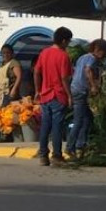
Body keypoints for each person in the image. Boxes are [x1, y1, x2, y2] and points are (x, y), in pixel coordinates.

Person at [32, 27, 74, 166]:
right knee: (57, 126)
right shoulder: (63, 56)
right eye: (68, 41)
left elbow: (36, 72)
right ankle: (56, 155)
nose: (68, 44)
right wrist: (69, 95)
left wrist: (38, 90)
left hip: (45, 95)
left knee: (45, 125)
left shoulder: (44, 53)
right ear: (63, 40)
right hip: (58, 95)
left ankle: (43, 155)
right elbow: (64, 78)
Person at [65, 38, 106, 159]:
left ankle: (81, 145)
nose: (104, 56)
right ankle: (70, 147)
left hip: (76, 89)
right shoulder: (92, 58)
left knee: (87, 118)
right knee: (79, 120)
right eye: (104, 53)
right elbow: (88, 70)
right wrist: (94, 86)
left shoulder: (82, 57)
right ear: (99, 50)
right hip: (80, 90)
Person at [0, 43, 23, 108]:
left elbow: (19, 76)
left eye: (8, 52)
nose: (6, 55)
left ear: (12, 54)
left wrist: (14, 89)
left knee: (9, 112)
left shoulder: (14, 63)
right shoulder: (2, 65)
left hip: (9, 94)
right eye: (3, 53)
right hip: (1, 94)